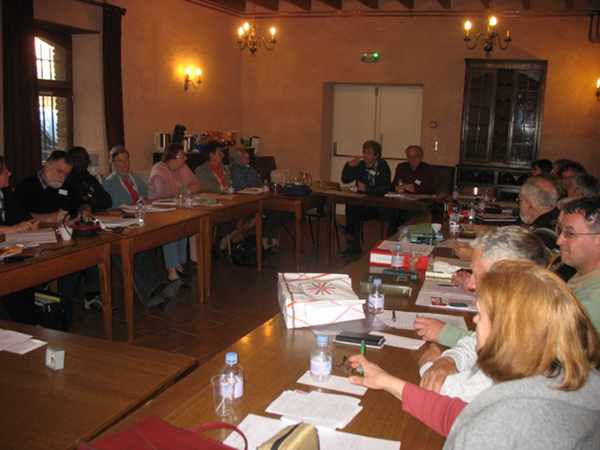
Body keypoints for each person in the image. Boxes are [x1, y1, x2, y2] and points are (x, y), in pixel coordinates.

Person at [350, 261, 600, 449]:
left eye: (481, 315)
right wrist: (386, 381)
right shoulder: (569, 380)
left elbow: (481, 425)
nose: (475, 321)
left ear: (507, 332)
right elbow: (462, 416)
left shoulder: (505, 420)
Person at [415, 227, 551, 401]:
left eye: (477, 275)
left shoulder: (530, 333)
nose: (471, 285)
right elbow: (477, 341)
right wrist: (449, 360)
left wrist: (427, 364)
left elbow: (456, 392)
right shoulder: (524, 309)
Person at [102, 146, 174, 308]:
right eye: (120, 161)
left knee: (146, 248)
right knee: (131, 253)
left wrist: (144, 201)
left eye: (126, 160)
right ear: (112, 163)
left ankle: (159, 286)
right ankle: (149, 293)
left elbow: (145, 196)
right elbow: (111, 208)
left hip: (139, 220)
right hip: (122, 225)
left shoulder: (135, 178)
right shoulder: (109, 183)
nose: (124, 164)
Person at [149, 143, 201, 281]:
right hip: (157, 211)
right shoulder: (159, 169)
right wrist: (184, 190)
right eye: (183, 156)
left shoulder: (182, 167)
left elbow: (197, 184)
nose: (186, 158)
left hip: (176, 208)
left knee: (184, 226)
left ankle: (179, 263)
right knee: (171, 230)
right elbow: (163, 194)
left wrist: (184, 190)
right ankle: (171, 268)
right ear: (173, 157)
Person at [0, 156, 39, 324]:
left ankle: (29, 326)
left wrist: (29, 224)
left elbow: (23, 216)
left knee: (25, 279)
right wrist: (12, 229)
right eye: (5, 171)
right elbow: (13, 227)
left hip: (11, 251)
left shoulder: (6, 192)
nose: (9, 173)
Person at [340, 140, 392, 257]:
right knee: (352, 206)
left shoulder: (383, 166)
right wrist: (349, 166)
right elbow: (345, 179)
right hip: (361, 203)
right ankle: (353, 244)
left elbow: (386, 188)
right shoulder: (360, 165)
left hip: (377, 206)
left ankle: (350, 234)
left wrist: (367, 188)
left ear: (376, 155)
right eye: (364, 152)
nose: (365, 155)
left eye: (369, 153)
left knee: (353, 212)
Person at [557, 196, 600, 332]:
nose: (559, 241)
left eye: (569, 233)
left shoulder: (590, 303)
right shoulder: (584, 273)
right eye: (560, 231)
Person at [14, 150, 78, 223]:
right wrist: (45, 218)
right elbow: (16, 215)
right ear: (47, 165)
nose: (62, 177)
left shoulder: (66, 187)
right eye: (59, 171)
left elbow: (74, 208)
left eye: (66, 174)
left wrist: (72, 216)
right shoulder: (25, 186)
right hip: (34, 229)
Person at [66, 147, 112, 213]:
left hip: (96, 216)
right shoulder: (65, 180)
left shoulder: (90, 179)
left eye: (86, 159)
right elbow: (68, 203)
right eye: (79, 159)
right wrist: (88, 199)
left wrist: (90, 198)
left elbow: (107, 201)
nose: (87, 162)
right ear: (72, 161)